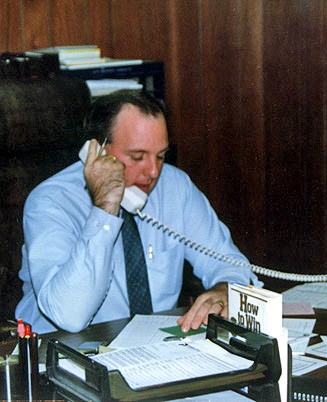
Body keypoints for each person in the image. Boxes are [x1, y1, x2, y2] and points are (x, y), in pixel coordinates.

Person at [15, 90, 258, 333]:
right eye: (138, 157)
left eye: (161, 156)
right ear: (96, 151)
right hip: (63, 353)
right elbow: (70, 316)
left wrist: (225, 289)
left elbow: (230, 263)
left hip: (151, 352)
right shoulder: (50, 201)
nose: (153, 172)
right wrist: (105, 209)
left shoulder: (175, 187)